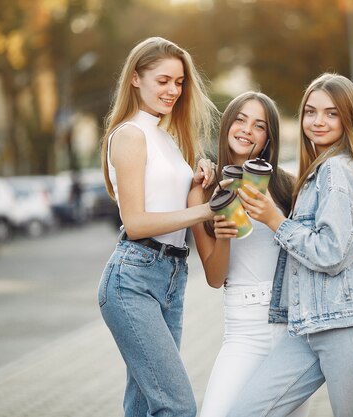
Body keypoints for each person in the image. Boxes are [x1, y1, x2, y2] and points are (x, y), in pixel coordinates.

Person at [187, 91, 353, 417]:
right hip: (244, 327)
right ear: (225, 126)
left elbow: (325, 240)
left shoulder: (290, 186)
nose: (247, 130)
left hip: (295, 320)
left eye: (259, 125)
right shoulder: (204, 189)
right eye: (240, 119)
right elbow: (214, 277)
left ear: (268, 138)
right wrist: (223, 234)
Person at [97, 37, 218, 417]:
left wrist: (198, 185)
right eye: (163, 80)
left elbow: (171, 203)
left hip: (172, 276)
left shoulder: (166, 137)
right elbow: (134, 223)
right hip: (133, 278)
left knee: (144, 404)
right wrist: (205, 212)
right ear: (135, 78)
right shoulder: (131, 135)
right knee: (177, 406)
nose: (173, 91)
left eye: (179, 82)